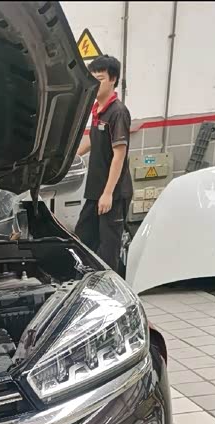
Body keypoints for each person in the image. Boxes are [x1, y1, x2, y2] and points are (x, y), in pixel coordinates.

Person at [75, 54, 133, 272]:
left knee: (108, 250)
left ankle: (110, 288)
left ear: (113, 79)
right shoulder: (97, 109)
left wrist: (108, 193)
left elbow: (119, 155)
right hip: (95, 190)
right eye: (92, 79)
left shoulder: (118, 112)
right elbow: (93, 139)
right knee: (83, 238)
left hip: (113, 193)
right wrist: (71, 157)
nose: (95, 84)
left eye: (99, 79)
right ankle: (86, 282)